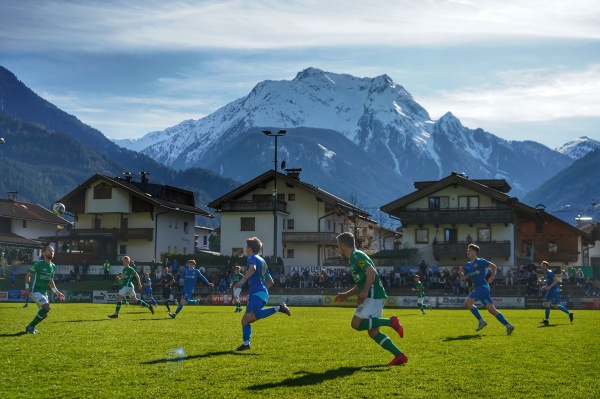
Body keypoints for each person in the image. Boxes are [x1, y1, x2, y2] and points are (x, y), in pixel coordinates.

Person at [334, 232, 407, 366]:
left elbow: (371, 272)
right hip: (375, 294)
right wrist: (346, 294)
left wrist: (366, 291)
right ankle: (400, 355)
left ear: (343, 245)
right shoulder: (354, 259)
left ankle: (391, 322)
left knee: (355, 324)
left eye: (338, 245)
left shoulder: (357, 257)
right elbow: (361, 282)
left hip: (373, 294)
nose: (338, 248)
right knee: (373, 333)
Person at [234, 237, 290, 351]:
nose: (245, 249)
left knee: (249, 318)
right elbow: (270, 281)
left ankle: (278, 308)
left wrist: (242, 280)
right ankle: (246, 344)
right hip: (262, 292)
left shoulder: (252, 258)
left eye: (246, 247)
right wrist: (262, 291)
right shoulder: (262, 261)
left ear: (250, 248)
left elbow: (252, 268)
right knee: (244, 319)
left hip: (257, 292)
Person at [459, 243, 514, 335]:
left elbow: (494, 266)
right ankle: (509, 326)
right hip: (480, 288)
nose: (467, 252)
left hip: (483, 287)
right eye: (467, 250)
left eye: (470, 250)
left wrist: (492, 277)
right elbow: (464, 278)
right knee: (491, 309)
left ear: (475, 252)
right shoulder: (468, 265)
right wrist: (460, 273)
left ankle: (481, 321)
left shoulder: (480, 261)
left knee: (468, 302)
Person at [24, 245, 66, 334]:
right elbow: (28, 276)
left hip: (43, 292)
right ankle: (31, 326)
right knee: (47, 307)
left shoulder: (53, 266)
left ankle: (30, 326)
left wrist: (57, 292)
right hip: (35, 290)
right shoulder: (38, 264)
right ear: (44, 253)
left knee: (44, 315)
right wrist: (27, 289)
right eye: (49, 250)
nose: (51, 252)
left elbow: (50, 280)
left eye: (53, 251)